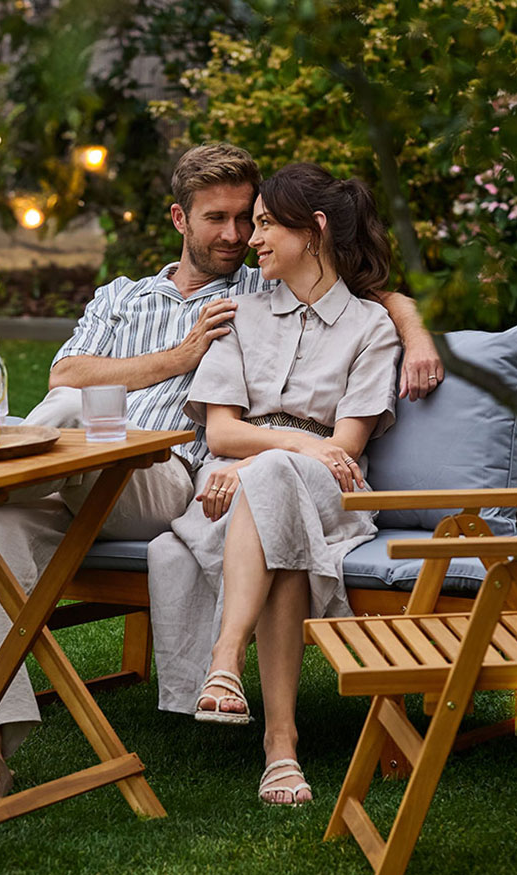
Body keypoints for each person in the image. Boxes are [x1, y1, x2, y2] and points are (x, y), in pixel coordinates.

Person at [0, 143, 442, 807]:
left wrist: (416, 329)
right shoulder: (121, 297)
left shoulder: (255, 286)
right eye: (218, 218)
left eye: (249, 219)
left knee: (49, 445)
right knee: (7, 517)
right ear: (178, 219)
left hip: (164, 473)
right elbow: (65, 375)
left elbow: (363, 292)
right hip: (76, 468)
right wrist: (180, 354)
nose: (238, 235)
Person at [148, 162, 401, 805]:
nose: (252, 239)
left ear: (312, 231)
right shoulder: (242, 315)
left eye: (263, 224)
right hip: (243, 480)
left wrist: (268, 460)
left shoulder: (371, 327)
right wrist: (284, 446)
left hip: (325, 491)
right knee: (280, 525)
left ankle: (225, 660)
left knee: (279, 482)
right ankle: (280, 749)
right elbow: (223, 434)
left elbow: (344, 448)